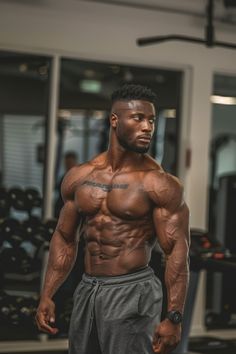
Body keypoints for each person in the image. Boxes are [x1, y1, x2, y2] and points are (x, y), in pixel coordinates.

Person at [36, 84, 190, 354]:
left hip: (132, 290)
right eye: (138, 118)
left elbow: (177, 251)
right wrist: (47, 293)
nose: (147, 127)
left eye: (151, 120)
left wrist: (174, 317)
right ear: (114, 120)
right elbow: (64, 237)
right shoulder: (80, 177)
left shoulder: (158, 183)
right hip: (87, 290)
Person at [54, 151, 78, 218]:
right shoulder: (63, 177)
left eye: (70, 163)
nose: (68, 165)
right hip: (60, 208)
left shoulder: (79, 178)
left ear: (75, 163)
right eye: (66, 163)